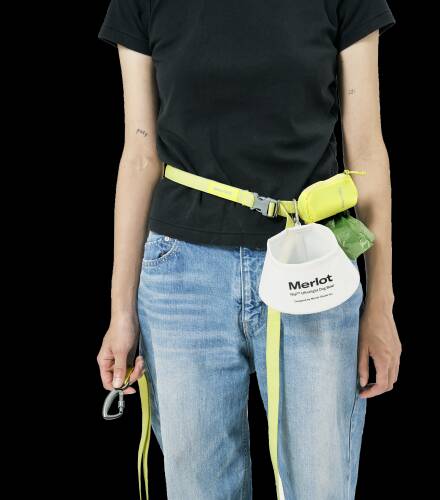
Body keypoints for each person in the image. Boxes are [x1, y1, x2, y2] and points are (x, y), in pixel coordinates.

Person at [96, 1, 402, 498]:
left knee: (321, 486)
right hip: (182, 280)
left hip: (313, 269)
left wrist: (381, 306)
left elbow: (366, 150)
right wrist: (120, 313)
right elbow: (139, 156)